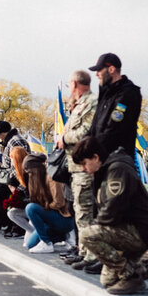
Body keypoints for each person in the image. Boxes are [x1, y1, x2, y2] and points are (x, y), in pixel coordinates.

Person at [71, 136, 148, 295]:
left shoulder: (117, 170)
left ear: (95, 157)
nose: (84, 169)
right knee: (108, 280)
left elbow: (114, 206)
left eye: (85, 163)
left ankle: (131, 276)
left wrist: (98, 229)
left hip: (140, 229)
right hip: (128, 228)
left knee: (87, 235)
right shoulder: (105, 170)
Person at [55, 70, 98, 269]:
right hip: (75, 168)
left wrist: (64, 139)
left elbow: (86, 131)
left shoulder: (91, 102)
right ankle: (84, 251)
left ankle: (91, 255)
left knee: (85, 212)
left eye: (70, 85)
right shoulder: (79, 104)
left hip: (84, 167)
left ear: (75, 84)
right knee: (79, 211)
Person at [20, 153, 76, 254]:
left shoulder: (51, 177)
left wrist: (45, 207)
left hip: (63, 217)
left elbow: (59, 202)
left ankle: (47, 243)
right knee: (29, 244)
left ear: (36, 169)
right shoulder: (36, 180)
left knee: (30, 208)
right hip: (51, 219)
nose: (30, 175)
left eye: (30, 172)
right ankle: (61, 236)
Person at [87, 53, 141, 156]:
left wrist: (90, 149)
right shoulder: (105, 95)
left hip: (117, 161)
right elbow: (94, 128)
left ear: (111, 69)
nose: (96, 74)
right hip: (101, 159)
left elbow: (114, 129)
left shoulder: (128, 93)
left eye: (99, 70)